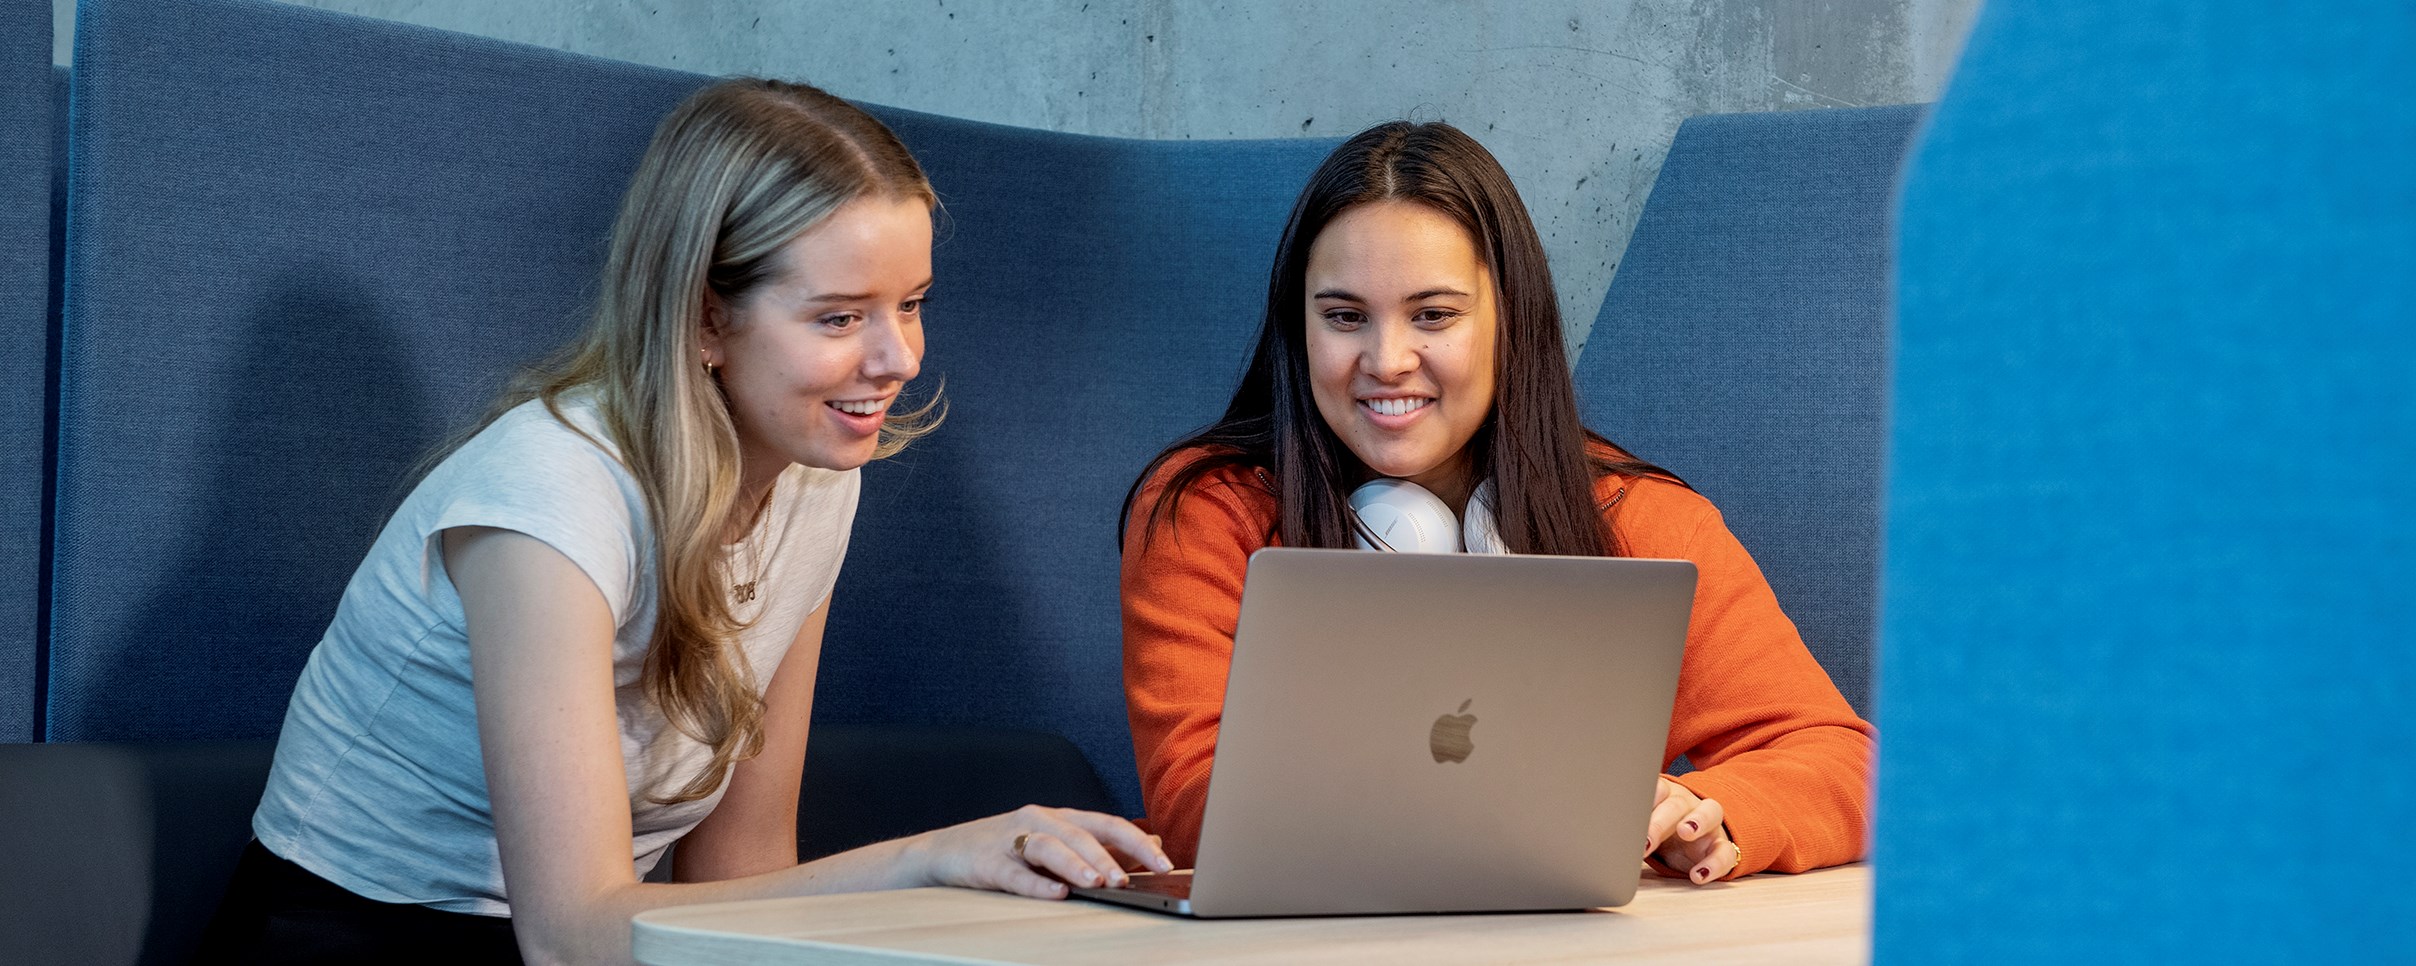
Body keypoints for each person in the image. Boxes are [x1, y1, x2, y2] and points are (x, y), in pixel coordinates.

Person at [205, 78, 1168, 965]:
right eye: (838, 319)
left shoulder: (819, 475)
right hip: (352, 937)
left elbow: (738, 870)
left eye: (909, 305)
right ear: (706, 322)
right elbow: (572, 934)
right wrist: (928, 858)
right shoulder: (550, 497)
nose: (898, 358)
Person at [1119, 121, 1873, 886]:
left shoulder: (1633, 514)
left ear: (1510, 320)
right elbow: (1196, 805)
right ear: (1299, 328)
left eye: (1434, 315)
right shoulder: (1206, 510)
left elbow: (1846, 762)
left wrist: (1704, 808)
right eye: (1344, 317)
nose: (1386, 361)